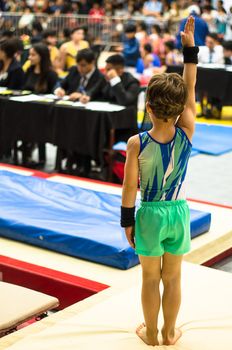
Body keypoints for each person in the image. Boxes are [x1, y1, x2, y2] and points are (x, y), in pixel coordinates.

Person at [121, 16, 198, 346]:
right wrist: (189, 51)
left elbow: (128, 188)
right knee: (174, 277)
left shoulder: (137, 143)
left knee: (150, 278)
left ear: (148, 106)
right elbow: (190, 86)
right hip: (178, 213)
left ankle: (151, 333)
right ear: (181, 108)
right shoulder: (187, 131)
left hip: (150, 215)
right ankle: (170, 332)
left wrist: (127, 221)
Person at [23, 43, 58, 167]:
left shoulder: (51, 74)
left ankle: (41, 159)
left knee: (38, 128)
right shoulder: (29, 70)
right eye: (29, 55)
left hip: (43, 113)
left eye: (33, 55)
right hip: (27, 110)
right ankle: (25, 155)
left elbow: (54, 95)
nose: (30, 58)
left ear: (41, 56)